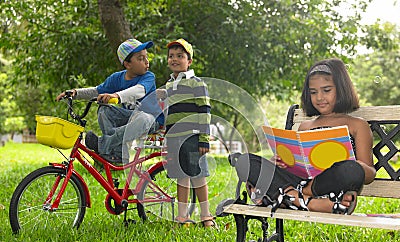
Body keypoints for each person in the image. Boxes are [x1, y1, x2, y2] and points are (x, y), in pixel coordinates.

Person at [232, 58, 376, 214]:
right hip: (296, 182)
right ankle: (308, 202)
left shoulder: (357, 125)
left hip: (326, 185)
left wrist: (353, 165)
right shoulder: (305, 126)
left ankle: (289, 198)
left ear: (342, 89)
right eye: (313, 92)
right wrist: (278, 163)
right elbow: (297, 165)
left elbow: (370, 174)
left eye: (326, 90)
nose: (319, 97)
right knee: (244, 161)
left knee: (351, 170)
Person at [56, 38, 164, 164]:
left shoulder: (149, 76)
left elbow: (140, 90)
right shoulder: (117, 78)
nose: (146, 61)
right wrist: (75, 93)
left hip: (151, 121)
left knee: (143, 117)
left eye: (146, 57)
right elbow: (96, 91)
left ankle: (103, 146)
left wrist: (117, 96)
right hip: (129, 118)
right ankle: (117, 154)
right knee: (104, 109)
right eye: (140, 58)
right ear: (127, 64)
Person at [157, 38, 216, 227]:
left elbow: (204, 112)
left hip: (192, 137)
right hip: (174, 138)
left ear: (189, 61)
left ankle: (206, 215)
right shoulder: (169, 86)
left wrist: (204, 139)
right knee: (181, 176)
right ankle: (182, 217)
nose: (175, 59)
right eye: (171, 56)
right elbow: (168, 112)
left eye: (180, 56)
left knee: (198, 176)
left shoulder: (196, 84)